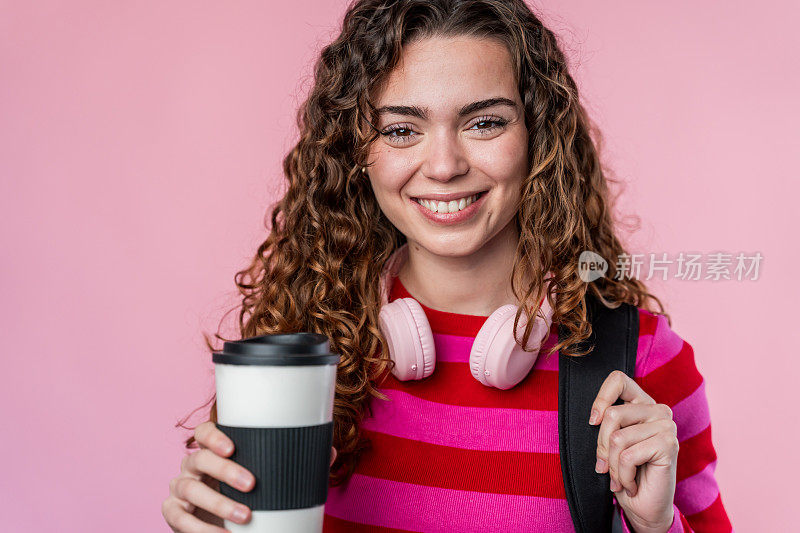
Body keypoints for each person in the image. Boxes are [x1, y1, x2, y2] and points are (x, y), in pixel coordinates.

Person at [162, 0, 734, 531]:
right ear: (356, 151)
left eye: (484, 122)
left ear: (540, 138)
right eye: (401, 129)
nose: (443, 165)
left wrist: (656, 528)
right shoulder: (306, 352)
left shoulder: (641, 365)